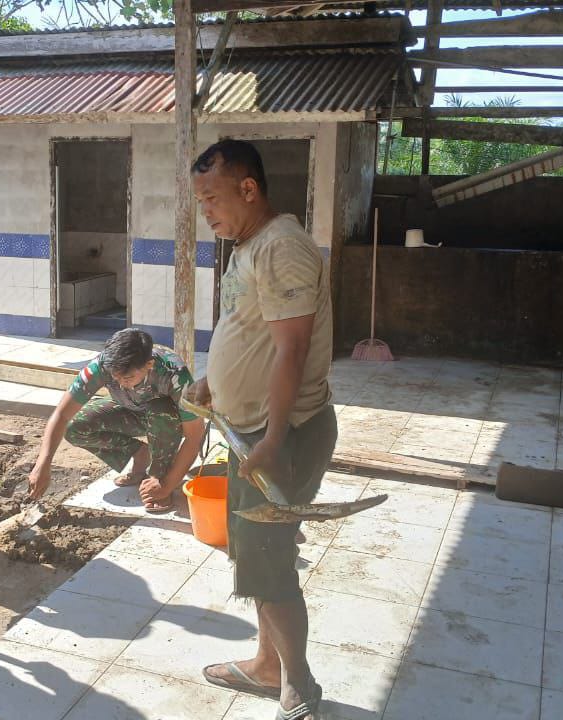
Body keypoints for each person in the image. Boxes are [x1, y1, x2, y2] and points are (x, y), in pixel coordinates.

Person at [188, 140, 336, 720]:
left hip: (283, 434)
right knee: (253, 557)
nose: (206, 212)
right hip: (250, 431)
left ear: (248, 188)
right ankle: (267, 665)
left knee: (269, 562)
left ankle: (298, 682)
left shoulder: (281, 248)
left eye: (212, 198)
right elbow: (247, 329)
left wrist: (274, 441)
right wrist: (212, 381)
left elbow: (292, 348)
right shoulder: (248, 246)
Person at [27, 328, 206, 512]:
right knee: (74, 427)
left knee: (160, 410)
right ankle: (139, 452)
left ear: (149, 364)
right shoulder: (102, 365)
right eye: (115, 377)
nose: (121, 384)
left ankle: (158, 477)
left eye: (128, 378)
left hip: (166, 420)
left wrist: (167, 485)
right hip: (129, 410)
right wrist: (43, 464)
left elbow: (195, 436)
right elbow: (62, 415)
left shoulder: (175, 375)